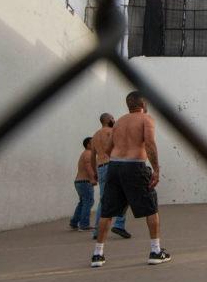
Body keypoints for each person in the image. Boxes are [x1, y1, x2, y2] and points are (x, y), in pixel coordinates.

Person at [91, 91, 170, 268]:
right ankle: (155, 251)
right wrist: (156, 169)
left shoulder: (118, 122)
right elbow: (149, 143)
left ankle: (97, 255)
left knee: (107, 211)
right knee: (151, 208)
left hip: (114, 167)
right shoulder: (146, 119)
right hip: (135, 167)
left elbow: (108, 149)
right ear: (143, 104)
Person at [90, 112, 130, 240]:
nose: (115, 119)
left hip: (101, 167)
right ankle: (119, 224)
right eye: (112, 118)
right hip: (113, 165)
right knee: (124, 194)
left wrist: (94, 172)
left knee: (104, 199)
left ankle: (97, 230)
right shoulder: (112, 131)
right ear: (108, 120)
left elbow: (92, 157)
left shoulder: (95, 136)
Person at [70, 137, 97, 231]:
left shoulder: (85, 153)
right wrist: (93, 179)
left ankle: (74, 222)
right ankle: (84, 225)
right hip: (85, 182)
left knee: (83, 202)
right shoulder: (88, 154)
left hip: (79, 182)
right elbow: (88, 167)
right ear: (88, 145)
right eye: (93, 143)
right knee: (88, 202)